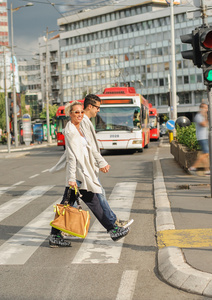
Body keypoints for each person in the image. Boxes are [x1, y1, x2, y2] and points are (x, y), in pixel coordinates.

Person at [49, 101, 130, 247]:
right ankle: (112, 229)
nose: (79, 114)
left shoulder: (79, 128)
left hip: (83, 173)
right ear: (70, 114)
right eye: (76, 112)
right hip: (79, 175)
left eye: (81, 112)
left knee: (66, 205)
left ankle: (54, 236)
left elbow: (91, 148)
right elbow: (72, 156)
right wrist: (72, 178)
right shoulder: (70, 131)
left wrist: (101, 162)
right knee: (91, 200)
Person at [188, 103, 210, 175]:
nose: (206, 109)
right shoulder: (198, 116)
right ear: (201, 108)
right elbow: (203, 124)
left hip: (205, 137)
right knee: (206, 153)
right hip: (202, 137)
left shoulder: (203, 116)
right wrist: (207, 119)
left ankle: (207, 170)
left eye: (207, 108)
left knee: (205, 154)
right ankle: (193, 167)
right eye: (205, 108)